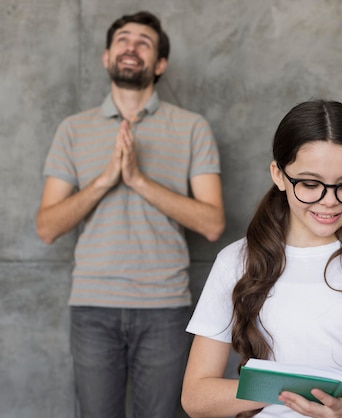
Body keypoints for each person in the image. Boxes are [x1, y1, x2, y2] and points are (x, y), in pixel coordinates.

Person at [181, 100, 342, 418]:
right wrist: (296, 388)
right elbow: (196, 397)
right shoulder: (236, 261)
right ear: (279, 175)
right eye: (311, 184)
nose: (329, 202)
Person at [36, 11, 225, 418]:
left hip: (165, 306)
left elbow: (212, 224)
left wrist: (138, 180)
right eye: (123, 39)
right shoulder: (73, 130)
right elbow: (47, 227)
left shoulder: (193, 128)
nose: (131, 47)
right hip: (92, 305)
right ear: (106, 57)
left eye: (144, 42)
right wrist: (107, 178)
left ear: (159, 64)